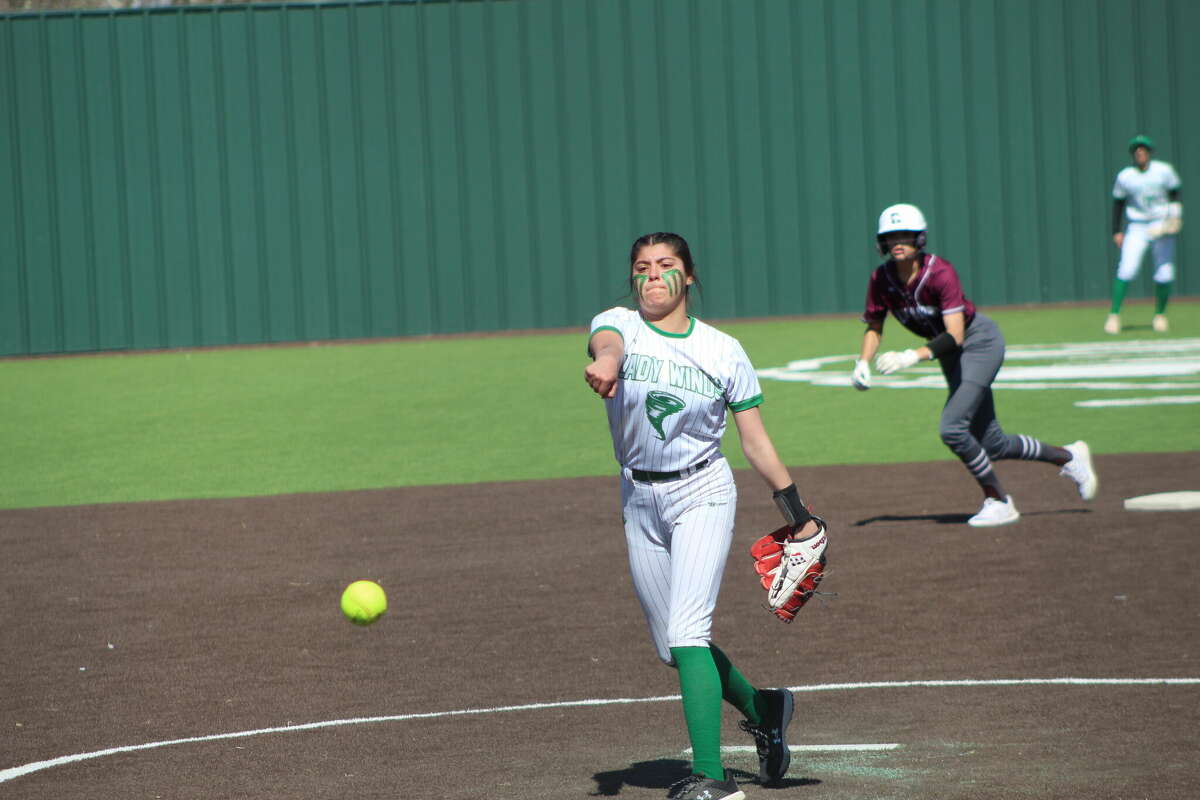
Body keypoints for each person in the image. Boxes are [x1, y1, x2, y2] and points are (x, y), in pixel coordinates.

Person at [583, 232, 827, 800]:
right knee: (672, 649)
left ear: (688, 277)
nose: (652, 276)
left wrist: (800, 515)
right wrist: (606, 360)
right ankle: (765, 708)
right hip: (638, 496)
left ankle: (713, 781)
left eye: (666, 266)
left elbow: (756, 443)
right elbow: (607, 343)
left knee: (689, 629)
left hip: (703, 492)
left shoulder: (723, 350)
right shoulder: (618, 323)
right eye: (642, 268)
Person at [850, 204, 1099, 527]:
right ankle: (1069, 456)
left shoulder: (940, 272)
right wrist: (863, 362)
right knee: (992, 442)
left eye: (905, 235)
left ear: (919, 238)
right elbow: (875, 325)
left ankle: (998, 500)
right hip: (950, 353)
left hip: (978, 342)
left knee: (953, 428)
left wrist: (910, 356)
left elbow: (954, 334)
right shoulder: (881, 279)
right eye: (890, 236)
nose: (897, 242)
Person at [1107, 134, 1183, 334]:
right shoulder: (1126, 176)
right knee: (1127, 268)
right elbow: (1118, 203)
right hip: (1138, 225)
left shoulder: (1163, 171)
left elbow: (1175, 191)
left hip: (1161, 223)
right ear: (1133, 154)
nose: (1140, 152)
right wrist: (1116, 230)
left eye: (1143, 149)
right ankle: (1114, 315)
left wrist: (1174, 217)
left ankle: (1160, 315)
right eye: (1137, 150)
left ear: (1149, 152)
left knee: (1164, 270)